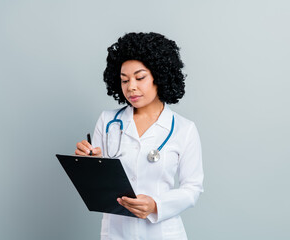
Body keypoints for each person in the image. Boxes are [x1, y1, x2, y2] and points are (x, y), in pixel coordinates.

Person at [75, 32, 204, 240]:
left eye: (140, 77)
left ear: (159, 76)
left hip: (163, 233)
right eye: (124, 80)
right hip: (116, 233)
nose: (131, 87)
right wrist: (88, 162)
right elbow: (97, 184)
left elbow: (193, 188)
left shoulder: (184, 129)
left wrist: (155, 205)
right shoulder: (107, 122)